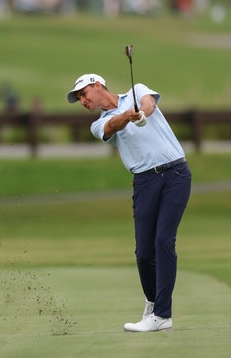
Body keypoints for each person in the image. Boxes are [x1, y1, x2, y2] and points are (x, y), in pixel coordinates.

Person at [66, 73, 191, 332]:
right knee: (144, 253)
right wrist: (128, 117)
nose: (82, 101)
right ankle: (153, 304)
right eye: (79, 98)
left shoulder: (137, 90)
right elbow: (112, 127)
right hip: (144, 181)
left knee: (163, 241)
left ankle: (161, 315)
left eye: (84, 94)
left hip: (176, 174)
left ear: (97, 86)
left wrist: (141, 113)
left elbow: (149, 104)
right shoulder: (98, 124)